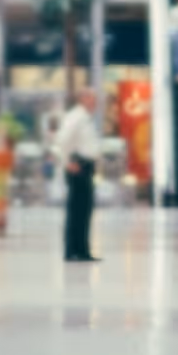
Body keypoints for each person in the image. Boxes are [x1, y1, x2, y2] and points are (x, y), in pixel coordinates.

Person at [55, 88, 102, 261]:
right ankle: (71, 251)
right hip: (78, 166)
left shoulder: (86, 118)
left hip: (86, 166)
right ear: (83, 99)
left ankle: (82, 250)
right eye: (92, 98)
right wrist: (67, 162)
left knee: (84, 210)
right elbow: (62, 141)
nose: (95, 103)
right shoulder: (75, 117)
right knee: (76, 210)